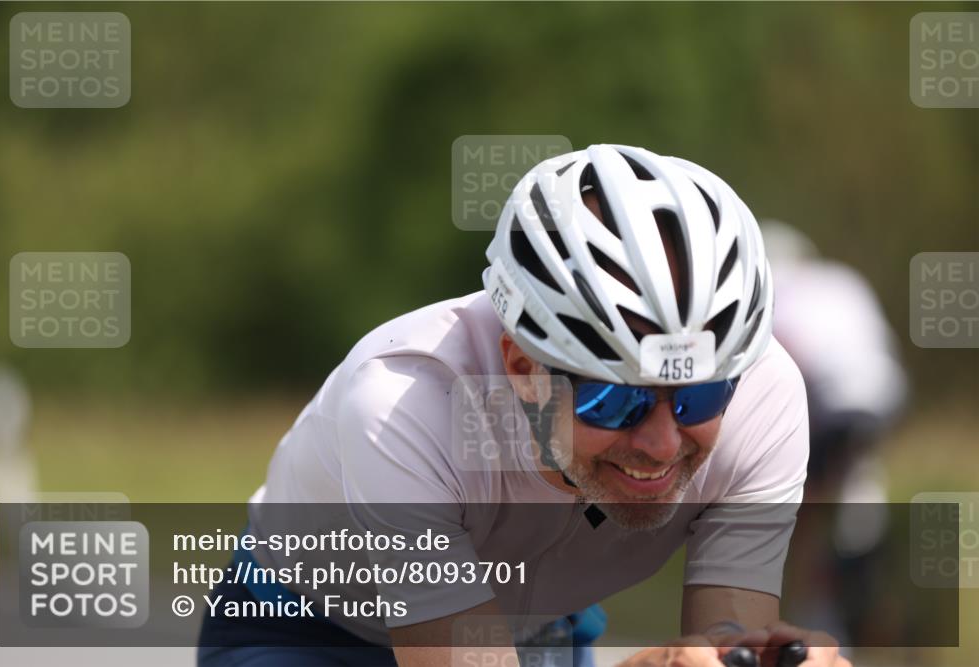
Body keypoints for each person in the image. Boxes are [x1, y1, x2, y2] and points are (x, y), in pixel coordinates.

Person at [197, 144, 851, 667]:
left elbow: (725, 637)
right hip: (311, 630)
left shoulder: (764, 393)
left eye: (700, 395)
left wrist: (756, 658)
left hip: (540, 626)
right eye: (615, 399)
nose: (661, 443)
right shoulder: (405, 402)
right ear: (522, 369)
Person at [760, 221, 908, 647]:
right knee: (854, 483)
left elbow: (783, 365)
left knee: (806, 507)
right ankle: (859, 574)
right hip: (885, 391)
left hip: (832, 402)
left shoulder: (778, 290)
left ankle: (820, 613)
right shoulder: (843, 279)